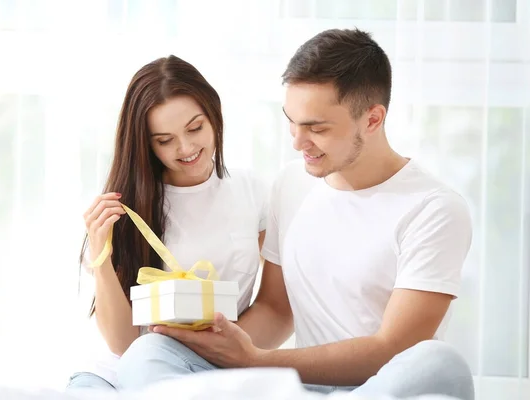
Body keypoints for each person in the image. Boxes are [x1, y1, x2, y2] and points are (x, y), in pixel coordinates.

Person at [115, 28, 475, 400]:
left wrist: (255, 362)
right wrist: (221, 347)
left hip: (381, 387)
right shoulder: (292, 184)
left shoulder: (434, 208)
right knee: (148, 354)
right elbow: (275, 308)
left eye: (316, 128)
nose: (298, 143)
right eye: (292, 122)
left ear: (372, 119)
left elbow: (393, 347)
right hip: (297, 387)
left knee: (436, 362)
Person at [65, 55, 268, 391]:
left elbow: (275, 307)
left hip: (205, 371)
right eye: (164, 140)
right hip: (117, 373)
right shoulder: (128, 205)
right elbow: (122, 344)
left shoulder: (252, 192)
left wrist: (232, 351)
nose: (186, 148)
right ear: (146, 142)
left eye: (195, 128)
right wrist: (101, 258)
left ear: (214, 113)